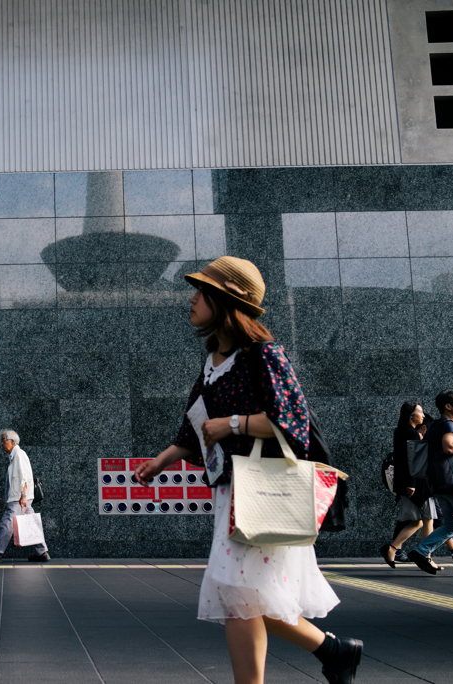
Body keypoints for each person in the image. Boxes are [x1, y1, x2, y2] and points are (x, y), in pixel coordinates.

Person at [132, 256, 361, 684]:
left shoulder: (263, 355)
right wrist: (162, 461)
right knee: (242, 598)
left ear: (225, 300)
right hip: (232, 493)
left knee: (238, 596)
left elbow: (292, 422)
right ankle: (333, 650)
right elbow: (193, 427)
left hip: (263, 494)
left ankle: (332, 650)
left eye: (202, 291)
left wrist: (233, 423)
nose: (192, 298)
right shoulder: (213, 362)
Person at [407, 390, 453, 577]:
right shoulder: (449, 425)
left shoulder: (436, 426)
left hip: (439, 482)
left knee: (451, 524)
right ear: (448, 406)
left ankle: (421, 550)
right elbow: (449, 447)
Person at [380, 402, 440, 569]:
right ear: (411, 416)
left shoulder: (401, 431)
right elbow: (413, 461)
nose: (423, 415)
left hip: (407, 481)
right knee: (428, 520)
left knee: (418, 521)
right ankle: (425, 557)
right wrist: (412, 483)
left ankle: (392, 548)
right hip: (417, 483)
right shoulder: (411, 434)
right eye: (420, 412)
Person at [0, 430, 49, 562]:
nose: (2, 443)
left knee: (7, 524)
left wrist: (23, 495)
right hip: (22, 498)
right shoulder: (16, 455)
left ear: (12, 442)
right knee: (32, 524)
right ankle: (42, 552)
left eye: (4, 440)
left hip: (19, 499)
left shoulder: (19, 455)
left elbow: (24, 477)